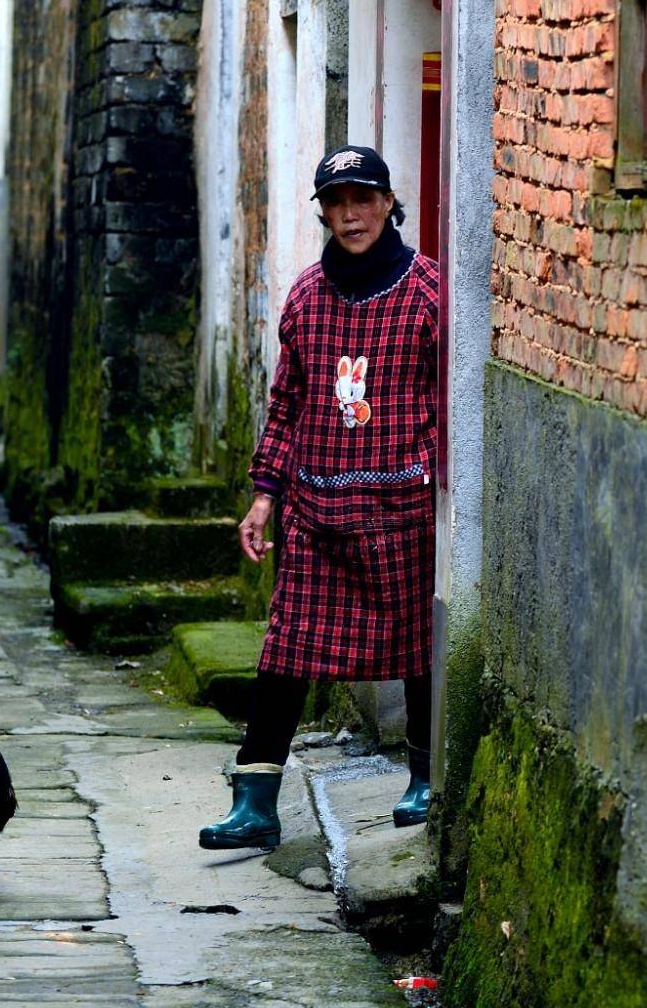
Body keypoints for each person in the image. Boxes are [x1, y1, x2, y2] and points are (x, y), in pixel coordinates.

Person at [199, 144, 438, 853]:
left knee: (419, 644)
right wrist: (264, 496)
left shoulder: (427, 293)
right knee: (286, 644)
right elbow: (289, 404)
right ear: (324, 212)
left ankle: (424, 778)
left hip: (400, 510)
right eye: (336, 202)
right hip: (316, 509)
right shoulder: (306, 297)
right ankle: (256, 800)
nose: (351, 214)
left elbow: (446, 405)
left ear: (389, 203)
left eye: (363, 199)